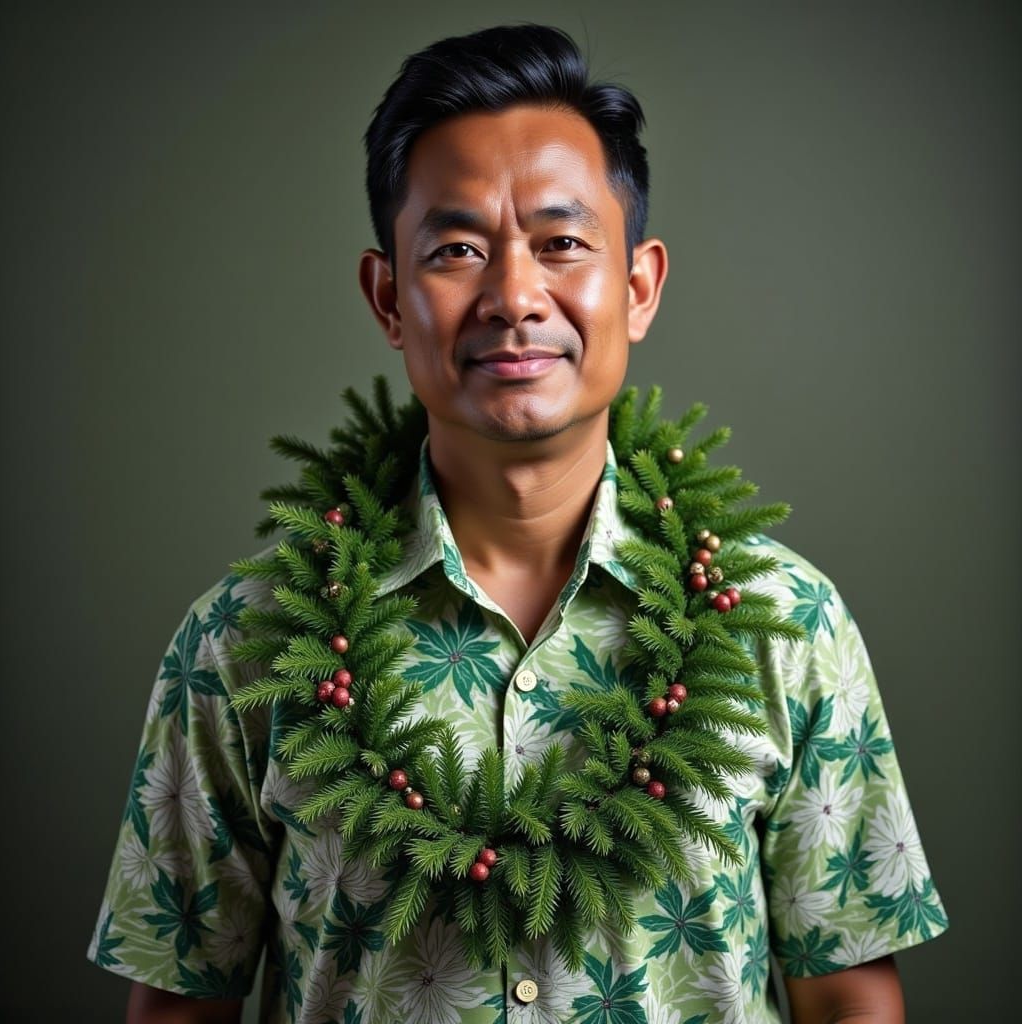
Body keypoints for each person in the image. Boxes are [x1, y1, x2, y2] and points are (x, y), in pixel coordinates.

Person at [88, 23, 947, 1024]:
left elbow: (850, 998)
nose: (511, 296)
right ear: (388, 297)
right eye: (455, 250)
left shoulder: (782, 623)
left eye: (561, 243)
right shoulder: (246, 646)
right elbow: (180, 1005)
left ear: (636, 287)